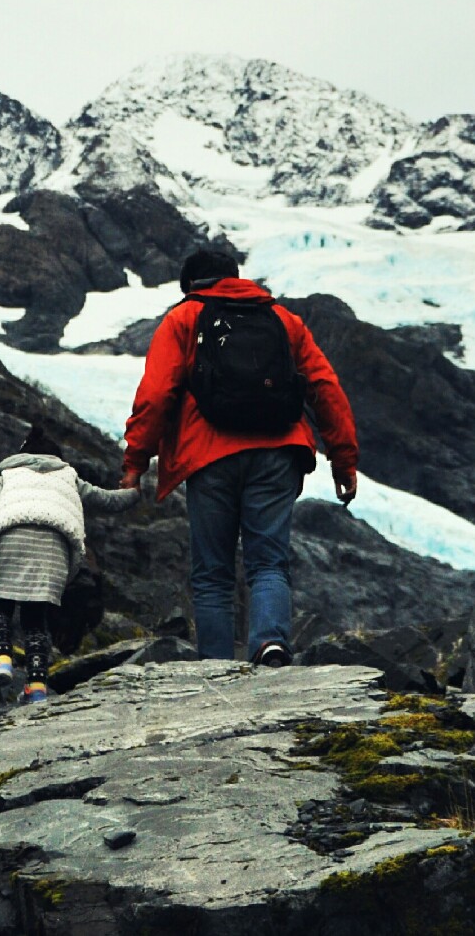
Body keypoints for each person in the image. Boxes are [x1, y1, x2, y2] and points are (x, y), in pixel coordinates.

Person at [121, 250, 359, 667]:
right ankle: (270, 644)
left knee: (213, 573)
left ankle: (215, 666)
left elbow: (156, 395)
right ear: (236, 278)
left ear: (189, 286)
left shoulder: (183, 319)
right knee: (268, 561)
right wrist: (342, 458)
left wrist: (135, 462)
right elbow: (326, 388)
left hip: (209, 456)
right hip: (277, 453)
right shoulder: (285, 321)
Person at [0, 424, 140, 705]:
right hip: (53, 551)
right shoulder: (69, 477)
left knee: (0, 607)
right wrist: (133, 492)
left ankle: (1, 662)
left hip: (10, 540)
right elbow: (106, 500)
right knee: (35, 619)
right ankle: (37, 687)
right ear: (57, 459)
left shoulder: (9, 474)